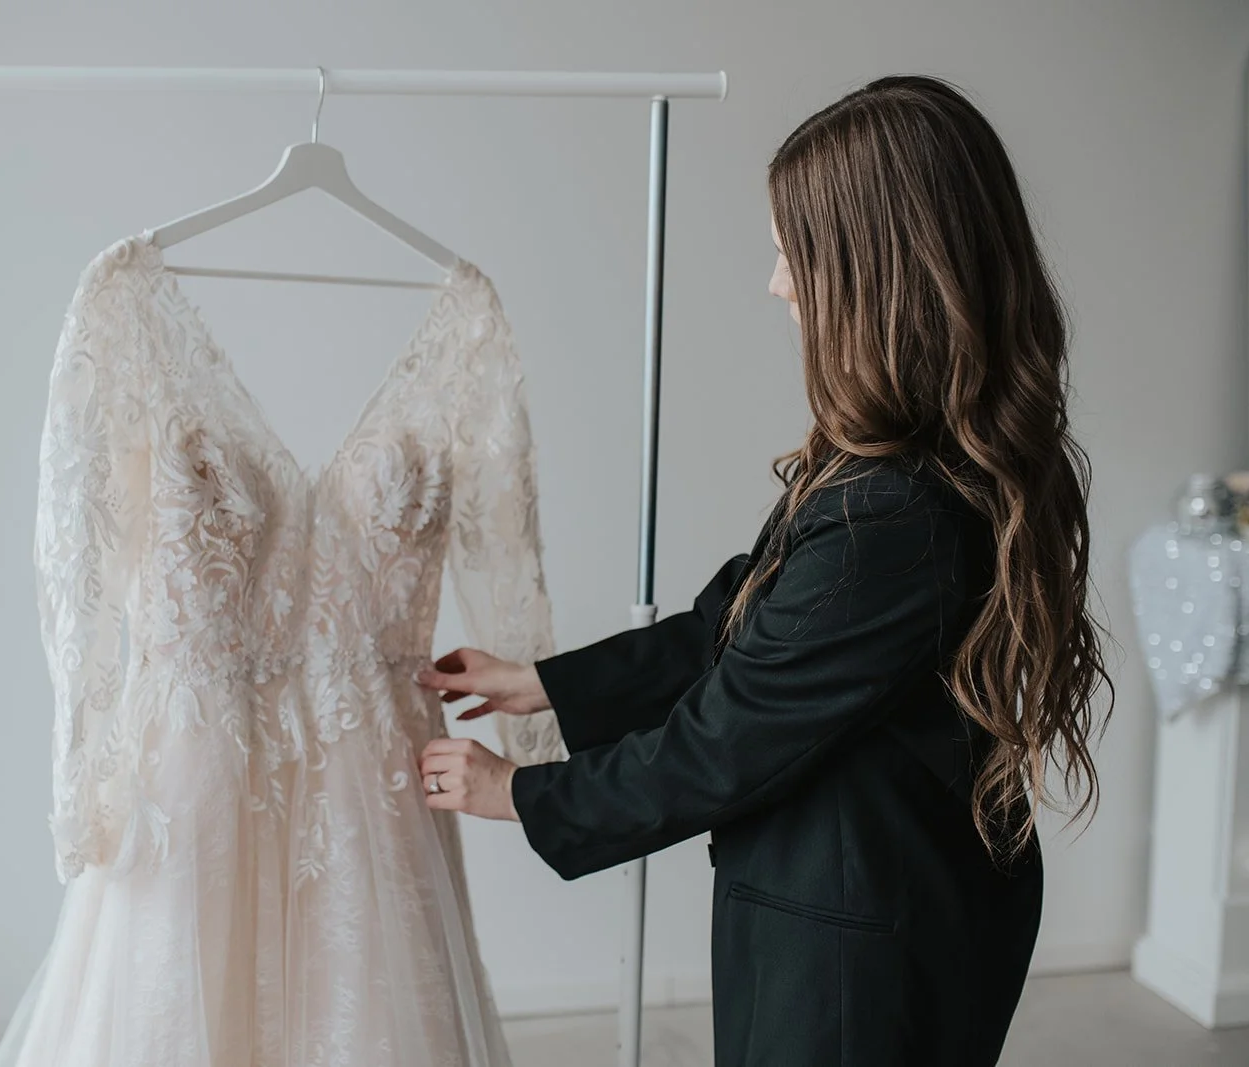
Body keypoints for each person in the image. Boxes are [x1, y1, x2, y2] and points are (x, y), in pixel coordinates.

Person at [414, 75, 1112, 1067]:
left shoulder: (891, 514)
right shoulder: (902, 461)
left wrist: (525, 792)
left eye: (794, 252)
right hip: (867, 894)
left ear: (878, 273)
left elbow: (726, 736)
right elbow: (737, 619)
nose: (776, 281)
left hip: (854, 939)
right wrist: (545, 683)